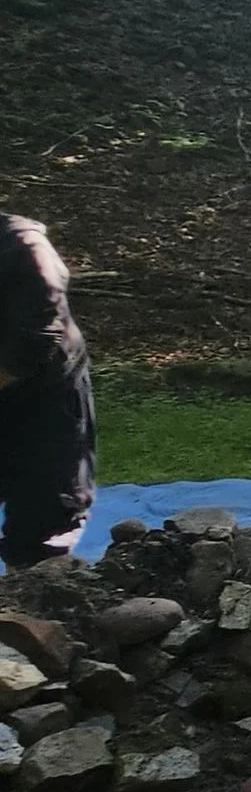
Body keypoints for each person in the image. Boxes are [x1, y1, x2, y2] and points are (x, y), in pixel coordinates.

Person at [0, 213, 94, 571]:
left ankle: (33, 611)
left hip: (42, 398)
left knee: (42, 524)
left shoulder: (23, 248)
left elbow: (35, 340)